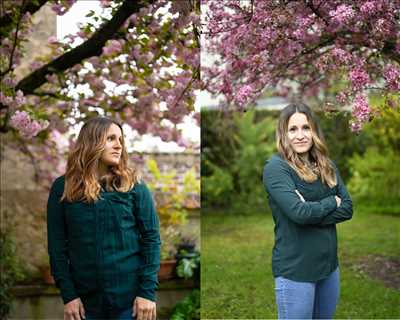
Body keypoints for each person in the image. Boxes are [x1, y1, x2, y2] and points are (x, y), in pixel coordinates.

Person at [47, 116, 161, 320]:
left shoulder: (134, 186)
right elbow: (56, 247)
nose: (119, 145)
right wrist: (69, 296)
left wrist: (146, 293)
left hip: (132, 305)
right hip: (83, 307)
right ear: (92, 142)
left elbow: (151, 240)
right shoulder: (62, 188)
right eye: (111, 139)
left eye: (120, 140)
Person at [263, 103, 353, 319]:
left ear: (314, 131)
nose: (300, 135)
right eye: (292, 129)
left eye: (306, 128)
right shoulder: (276, 168)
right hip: (296, 270)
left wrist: (308, 211)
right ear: (283, 134)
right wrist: (332, 201)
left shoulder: (326, 165)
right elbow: (299, 213)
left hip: (329, 267)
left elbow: (348, 208)